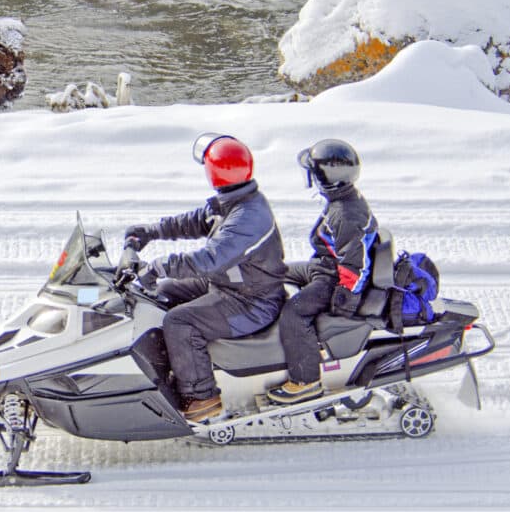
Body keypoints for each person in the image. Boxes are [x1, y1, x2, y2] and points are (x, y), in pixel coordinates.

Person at [124, 133, 287, 423]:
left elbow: (209, 259)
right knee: (164, 292)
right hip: (232, 283)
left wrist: (161, 264)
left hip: (252, 301)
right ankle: (175, 365)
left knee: (180, 321)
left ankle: (202, 399)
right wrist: (151, 231)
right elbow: (195, 221)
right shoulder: (235, 200)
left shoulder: (248, 217)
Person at [267, 139, 378, 405]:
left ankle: (306, 380)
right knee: (272, 273)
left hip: (333, 278)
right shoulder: (342, 199)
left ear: (326, 179)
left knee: (293, 313)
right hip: (323, 266)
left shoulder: (346, 214)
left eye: (315, 175)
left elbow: (354, 266)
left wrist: (341, 305)